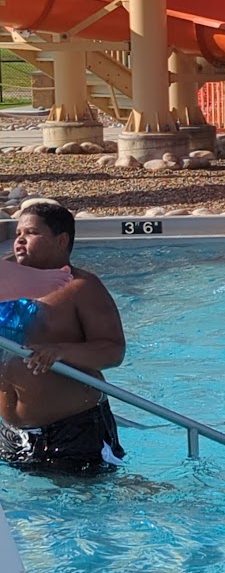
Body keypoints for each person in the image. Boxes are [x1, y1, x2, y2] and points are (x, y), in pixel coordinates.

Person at [0, 202, 127, 473]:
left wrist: (60, 350)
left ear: (61, 240)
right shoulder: (5, 281)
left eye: (31, 233)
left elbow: (113, 351)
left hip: (73, 430)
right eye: (18, 233)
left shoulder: (81, 288)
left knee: (87, 504)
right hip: (11, 433)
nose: (20, 240)